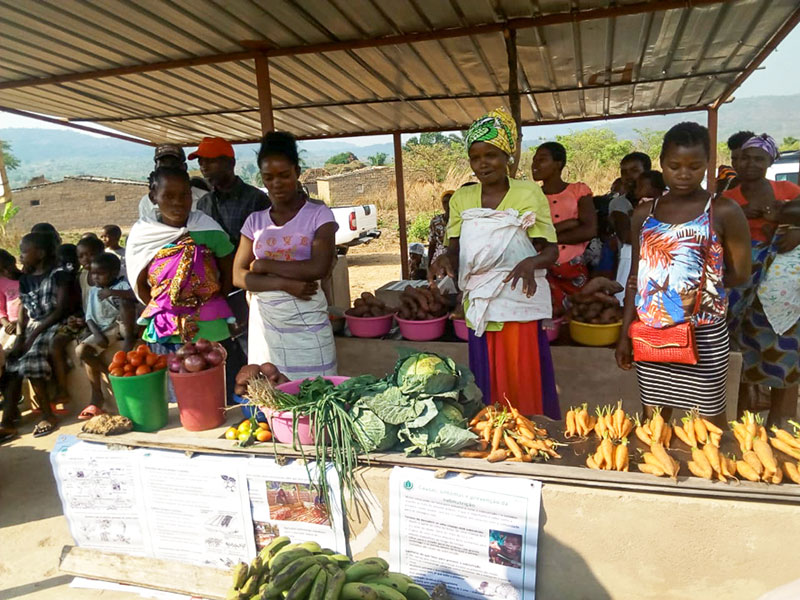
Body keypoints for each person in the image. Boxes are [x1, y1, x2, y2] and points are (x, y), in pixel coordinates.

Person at [616, 122, 751, 424]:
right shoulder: (644, 214)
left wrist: (696, 291)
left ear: (707, 164)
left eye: (695, 166)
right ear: (662, 163)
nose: (684, 173)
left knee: (710, 425)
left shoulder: (723, 211)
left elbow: (741, 273)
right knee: (653, 422)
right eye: (674, 165)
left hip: (703, 334)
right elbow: (635, 279)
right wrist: (625, 333)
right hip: (652, 332)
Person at [429, 108, 559, 417]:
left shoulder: (528, 193)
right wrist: (443, 261)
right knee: (486, 383)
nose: (483, 163)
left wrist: (532, 262)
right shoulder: (462, 199)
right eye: (475, 157)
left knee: (522, 374)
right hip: (481, 303)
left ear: (508, 157)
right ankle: (495, 437)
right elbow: (456, 249)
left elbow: (551, 251)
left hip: (518, 298)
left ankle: (531, 433)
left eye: (492, 154)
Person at [233, 131, 338, 379]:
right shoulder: (254, 222)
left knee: (318, 392)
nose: (276, 183)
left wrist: (263, 265)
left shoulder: (319, 215)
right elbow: (238, 276)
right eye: (269, 177)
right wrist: (285, 284)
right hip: (266, 326)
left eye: (284, 175)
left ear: (297, 172)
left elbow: (319, 268)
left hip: (308, 323)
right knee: (273, 392)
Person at [724, 134, 800, 425]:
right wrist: (739, 216)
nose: (750, 164)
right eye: (744, 157)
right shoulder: (729, 199)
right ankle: (744, 423)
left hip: (782, 289)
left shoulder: (788, 190)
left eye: (758, 158)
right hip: (742, 282)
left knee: (784, 349)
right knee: (743, 353)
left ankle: (778, 425)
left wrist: (796, 231)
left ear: (770, 161)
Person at [126, 167, 235, 353]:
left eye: (184, 195)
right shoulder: (144, 234)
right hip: (166, 330)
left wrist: (214, 303)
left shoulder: (208, 229)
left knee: (217, 379)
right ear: (153, 197)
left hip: (211, 328)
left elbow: (228, 271)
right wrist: (164, 309)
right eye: (168, 196)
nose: (178, 202)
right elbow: (139, 281)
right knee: (172, 380)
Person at [0, 232, 73, 440]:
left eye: (24, 252)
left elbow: (60, 309)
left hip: (53, 323)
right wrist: (21, 337)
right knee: (13, 362)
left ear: (40, 253)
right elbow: (23, 311)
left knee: (30, 360)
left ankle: (48, 415)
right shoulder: (26, 280)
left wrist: (32, 337)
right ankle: (7, 422)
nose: (20, 256)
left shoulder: (58, 275)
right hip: (33, 326)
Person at [531, 141, 596, 315]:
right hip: (541, 269)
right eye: (534, 160)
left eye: (541, 159)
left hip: (573, 269)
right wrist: (569, 225)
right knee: (547, 317)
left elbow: (589, 230)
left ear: (558, 163)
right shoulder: (530, 196)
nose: (534, 165)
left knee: (579, 315)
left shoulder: (578, 191)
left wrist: (546, 238)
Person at [76, 253, 136, 419]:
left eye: (100, 274)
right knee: (81, 351)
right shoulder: (94, 291)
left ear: (114, 272)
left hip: (119, 327)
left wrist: (112, 292)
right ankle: (110, 376)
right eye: (93, 273)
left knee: (124, 303)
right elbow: (88, 316)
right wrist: (96, 333)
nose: (95, 277)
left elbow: (135, 296)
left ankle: (129, 342)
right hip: (101, 331)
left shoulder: (122, 285)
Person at [610, 152, 652, 301]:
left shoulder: (663, 200)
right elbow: (627, 237)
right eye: (624, 172)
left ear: (647, 172)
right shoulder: (619, 204)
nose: (628, 176)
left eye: (634, 171)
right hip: (630, 262)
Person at [138, 144, 207, 218]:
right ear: (156, 168)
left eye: (173, 163)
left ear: (185, 167)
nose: (169, 169)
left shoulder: (204, 198)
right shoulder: (146, 202)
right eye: (163, 165)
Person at [0, 249, 21, 349]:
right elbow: (0, 309)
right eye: (1, 270)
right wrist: (6, 323)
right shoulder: (1, 283)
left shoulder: (26, 279)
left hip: (23, 324)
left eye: (7, 267)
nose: (6, 271)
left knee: (10, 349)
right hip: (8, 325)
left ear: (13, 261)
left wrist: (18, 323)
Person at [428, 190, 453, 265]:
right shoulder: (436, 221)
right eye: (445, 202)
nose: (448, 205)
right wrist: (429, 264)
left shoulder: (460, 219)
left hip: (455, 257)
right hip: (439, 259)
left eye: (450, 201)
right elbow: (432, 243)